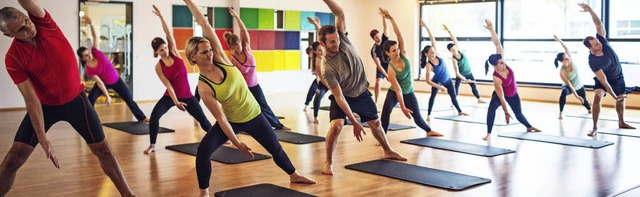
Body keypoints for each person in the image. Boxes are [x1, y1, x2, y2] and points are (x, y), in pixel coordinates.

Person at [181, 1, 316, 196]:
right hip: (232, 120)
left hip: (254, 114)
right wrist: (237, 143)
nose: (210, 53)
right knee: (203, 151)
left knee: (275, 148)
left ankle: (294, 174)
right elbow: (220, 118)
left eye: (210, 49)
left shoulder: (220, 58)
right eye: (204, 52)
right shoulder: (203, 87)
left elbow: (204, 23)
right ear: (193, 57)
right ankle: (204, 192)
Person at [0, 1, 135, 196]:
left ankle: (128, 194)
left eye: (26, 20)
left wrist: (30, 17)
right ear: (9, 35)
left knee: (103, 150)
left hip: (76, 101)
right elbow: (31, 100)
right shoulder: (13, 58)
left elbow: (27, 2)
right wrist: (42, 138)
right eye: (21, 29)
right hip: (45, 106)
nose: (29, 27)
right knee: (14, 158)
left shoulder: (44, 24)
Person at [319, 0, 407, 175]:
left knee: (375, 123)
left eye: (336, 40)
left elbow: (339, 13)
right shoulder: (327, 68)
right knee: (336, 127)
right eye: (331, 42)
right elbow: (340, 98)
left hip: (362, 92)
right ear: (322, 44)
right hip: (344, 97)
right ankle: (328, 162)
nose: (336, 44)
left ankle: (388, 151)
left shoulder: (341, 38)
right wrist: (354, 122)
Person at [144, 5, 212, 154]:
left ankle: (221, 138)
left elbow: (168, 32)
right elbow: (168, 85)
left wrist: (161, 16)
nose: (165, 50)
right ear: (156, 52)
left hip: (187, 96)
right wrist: (175, 101)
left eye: (165, 47)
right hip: (170, 96)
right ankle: (152, 145)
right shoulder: (159, 67)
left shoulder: (174, 52)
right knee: (154, 117)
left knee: (203, 120)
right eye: (161, 49)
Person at [379, 8, 443, 137]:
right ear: (387, 53)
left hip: (409, 92)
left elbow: (399, 35)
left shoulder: (403, 54)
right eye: (393, 51)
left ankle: (429, 131)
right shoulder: (391, 69)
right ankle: (382, 137)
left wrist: (391, 19)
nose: (397, 52)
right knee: (385, 113)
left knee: (417, 116)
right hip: (395, 92)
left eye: (397, 49)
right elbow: (398, 90)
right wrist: (402, 107)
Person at [224, 7, 290, 130]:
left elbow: (244, 30)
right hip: (244, 87)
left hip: (254, 85)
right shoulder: (232, 59)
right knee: (244, 109)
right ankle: (234, 130)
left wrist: (236, 16)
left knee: (263, 105)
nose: (237, 47)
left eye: (238, 43)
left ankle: (278, 125)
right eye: (234, 45)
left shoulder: (247, 49)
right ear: (231, 46)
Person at [77, 16, 149, 123]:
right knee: (91, 99)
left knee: (129, 99)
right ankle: (90, 119)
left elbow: (95, 37)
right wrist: (107, 96)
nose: (89, 55)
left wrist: (91, 23)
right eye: (86, 56)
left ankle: (142, 118)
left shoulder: (96, 52)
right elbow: (100, 82)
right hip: (103, 83)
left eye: (89, 53)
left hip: (116, 80)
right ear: (82, 58)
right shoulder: (89, 69)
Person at [578, 3, 635, 136]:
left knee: (621, 100)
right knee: (597, 96)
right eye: (597, 45)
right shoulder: (593, 61)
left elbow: (598, 24)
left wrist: (590, 10)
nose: (600, 44)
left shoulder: (603, 42)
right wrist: (613, 96)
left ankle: (621, 122)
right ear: (590, 48)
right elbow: (603, 81)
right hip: (604, 80)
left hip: (618, 77)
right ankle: (595, 127)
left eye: (599, 42)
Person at [483, 19, 541, 141]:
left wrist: (491, 29)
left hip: (513, 94)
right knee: (491, 110)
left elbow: (498, 44)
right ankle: (488, 133)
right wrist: (505, 112)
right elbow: (501, 97)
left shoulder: (501, 60)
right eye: (500, 63)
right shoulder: (496, 78)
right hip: (502, 96)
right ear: (494, 66)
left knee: (519, 113)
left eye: (503, 62)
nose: (504, 64)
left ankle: (529, 126)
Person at [419, 19, 469, 121]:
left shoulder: (437, 55)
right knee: (433, 96)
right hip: (438, 81)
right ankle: (428, 114)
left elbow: (432, 38)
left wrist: (426, 26)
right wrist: (440, 87)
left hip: (447, 79)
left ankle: (459, 111)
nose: (433, 54)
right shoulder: (429, 65)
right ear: (426, 54)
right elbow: (428, 81)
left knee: (453, 96)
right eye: (431, 53)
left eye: (434, 51)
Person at [442, 24, 485, 104]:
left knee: (473, 85)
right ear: (450, 51)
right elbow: (457, 73)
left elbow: (454, 39)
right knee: (456, 87)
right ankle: (454, 101)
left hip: (469, 72)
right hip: (461, 74)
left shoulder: (458, 49)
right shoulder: (454, 59)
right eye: (452, 50)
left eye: (454, 48)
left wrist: (448, 31)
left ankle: (479, 98)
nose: (454, 50)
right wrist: (465, 79)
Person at [553, 35, 591, 119]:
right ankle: (561, 112)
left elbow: (566, 48)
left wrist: (559, 40)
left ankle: (589, 109)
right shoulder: (562, 72)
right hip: (569, 87)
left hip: (579, 86)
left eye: (567, 57)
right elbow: (569, 85)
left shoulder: (571, 61)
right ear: (561, 61)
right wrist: (577, 96)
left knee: (584, 102)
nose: (568, 59)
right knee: (563, 92)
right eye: (566, 59)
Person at [303, 16, 322, 114]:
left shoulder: (320, 52)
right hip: (321, 78)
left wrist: (316, 24)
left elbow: (320, 35)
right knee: (313, 91)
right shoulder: (315, 60)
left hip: (327, 77)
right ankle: (308, 106)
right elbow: (316, 73)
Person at [370, 12, 389, 104]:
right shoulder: (373, 50)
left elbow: (386, 27)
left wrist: (383, 17)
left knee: (397, 81)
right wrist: (386, 75)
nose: (378, 38)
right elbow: (378, 65)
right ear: (373, 39)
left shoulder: (385, 40)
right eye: (376, 37)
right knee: (377, 82)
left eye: (379, 36)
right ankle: (376, 102)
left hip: (391, 65)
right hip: (382, 67)